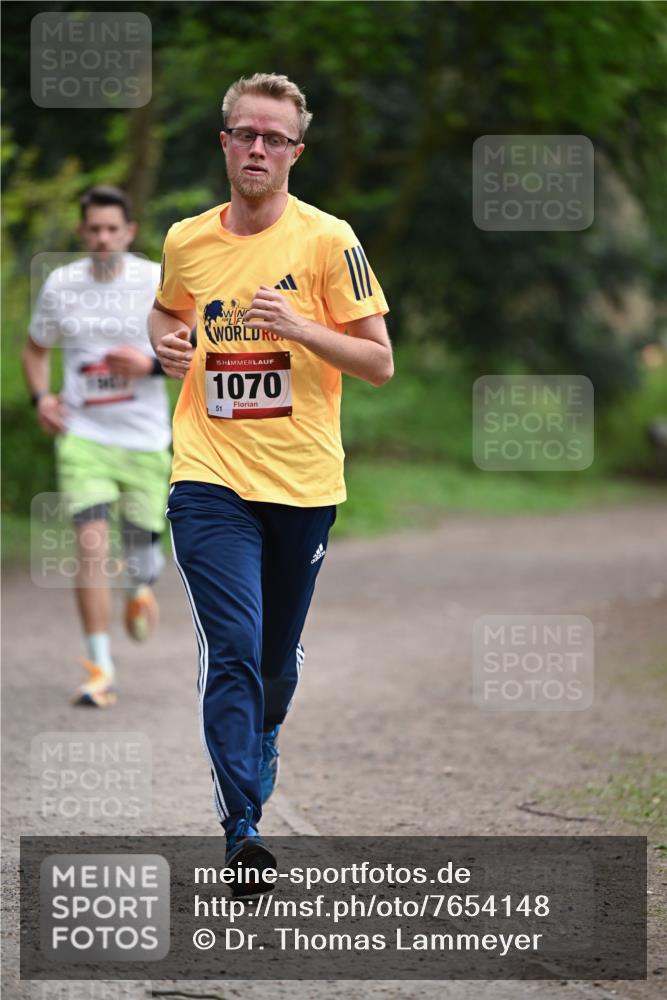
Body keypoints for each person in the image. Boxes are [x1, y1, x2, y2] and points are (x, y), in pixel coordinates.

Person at [150, 73, 393, 873]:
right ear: (224, 143)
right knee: (233, 647)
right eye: (245, 134)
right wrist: (166, 340)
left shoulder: (329, 241)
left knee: (273, 664)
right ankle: (241, 827)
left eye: (275, 138)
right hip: (208, 477)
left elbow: (378, 361)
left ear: (295, 151)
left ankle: (264, 731)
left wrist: (300, 326)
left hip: (304, 485)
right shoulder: (187, 239)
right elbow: (168, 308)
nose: (258, 149)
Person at [24, 185, 172, 708]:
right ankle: (98, 669)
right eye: (95, 229)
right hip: (84, 435)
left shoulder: (156, 280)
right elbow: (36, 349)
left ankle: (140, 585)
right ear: (82, 233)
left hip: (146, 439)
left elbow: (195, 350)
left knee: (141, 554)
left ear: (129, 231)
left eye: (114, 229)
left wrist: (149, 364)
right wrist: (42, 397)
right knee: (90, 547)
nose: (104, 238)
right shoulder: (62, 286)